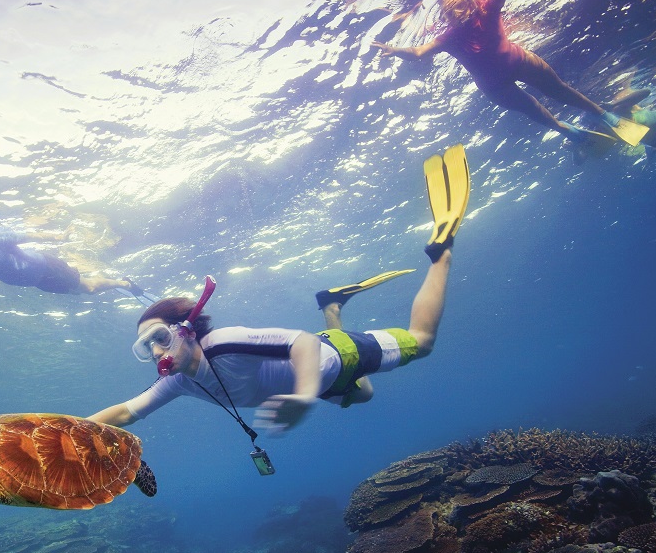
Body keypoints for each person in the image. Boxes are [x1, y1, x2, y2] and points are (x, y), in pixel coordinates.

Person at [88, 144, 470, 437]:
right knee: (365, 395)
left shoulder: (223, 342)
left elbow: (303, 344)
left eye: (157, 337)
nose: (155, 351)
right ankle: (331, 304)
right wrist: (59, 432)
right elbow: (123, 413)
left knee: (421, 343)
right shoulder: (178, 381)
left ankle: (441, 253)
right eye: (145, 348)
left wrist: (303, 397)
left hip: (334, 356)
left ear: (185, 329)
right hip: (318, 383)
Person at [372, 0, 645, 147]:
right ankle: (568, 131)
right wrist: (395, 51)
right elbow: (419, 51)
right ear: (445, 12)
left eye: (458, 1)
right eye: (449, 6)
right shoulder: (448, 37)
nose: (456, 9)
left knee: (559, 90)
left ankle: (604, 116)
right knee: (534, 111)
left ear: (468, 0)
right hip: (495, 87)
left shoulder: (486, 9)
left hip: (519, 61)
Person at [0, 218, 144, 312]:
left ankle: (124, 283)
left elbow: (29, 235)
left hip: (47, 267)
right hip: (39, 282)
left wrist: (59, 236)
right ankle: (92, 276)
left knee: (88, 288)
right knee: (77, 292)